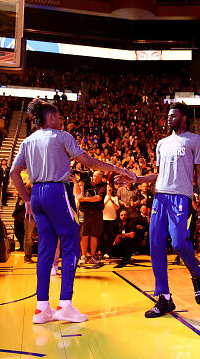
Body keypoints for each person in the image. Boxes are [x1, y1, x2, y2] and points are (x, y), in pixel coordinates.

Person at [10, 99, 135, 324]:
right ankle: (65, 305)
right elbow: (89, 161)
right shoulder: (62, 137)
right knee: (71, 245)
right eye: (59, 117)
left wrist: (26, 199)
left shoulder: (27, 141)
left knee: (46, 249)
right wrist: (117, 168)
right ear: (49, 117)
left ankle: (41, 309)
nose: (62, 120)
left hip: (37, 193)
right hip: (57, 191)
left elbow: (14, 172)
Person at [126, 102, 200, 318]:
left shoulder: (194, 140)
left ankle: (196, 273)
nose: (168, 119)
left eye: (172, 116)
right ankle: (164, 298)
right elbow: (158, 174)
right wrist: (137, 178)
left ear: (183, 118)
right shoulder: (162, 143)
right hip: (160, 197)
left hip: (181, 197)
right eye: (167, 116)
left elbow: (199, 173)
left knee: (180, 243)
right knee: (155, 246)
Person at [78, 170, 106, 265]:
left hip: (96, 213)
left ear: (100, 178)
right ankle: (83, 256)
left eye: (97, 177)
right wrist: (81, 184)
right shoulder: (86, 183)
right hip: (85, 213)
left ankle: (93, 256)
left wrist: (85, 199)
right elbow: (79, 194)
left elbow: (98, 198)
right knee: (84, 235)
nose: (94, 178)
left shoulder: (102, 186)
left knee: (94, 236)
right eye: (94, 176)